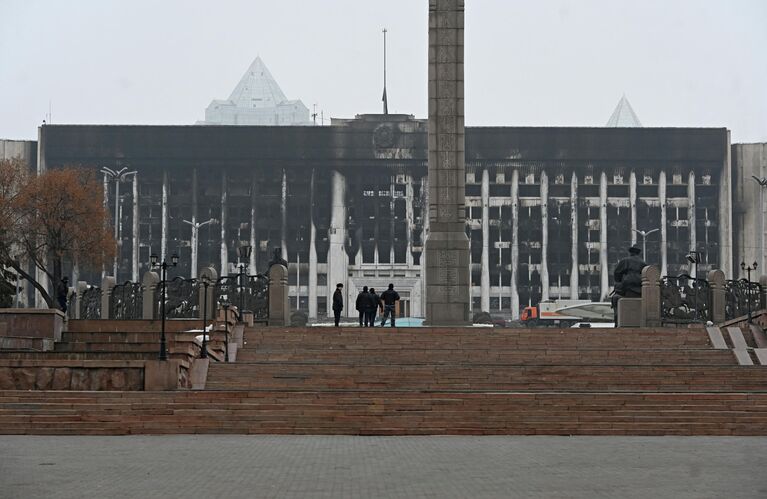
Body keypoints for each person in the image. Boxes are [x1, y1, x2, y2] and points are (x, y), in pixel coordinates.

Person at [611, 244, 647, 322]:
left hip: (627, 287)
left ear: (630, 252)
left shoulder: (625, 261)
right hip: (640, 288)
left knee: (615, 298)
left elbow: (617, 273)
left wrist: (619, 282)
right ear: (638, 253)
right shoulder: (643, 263)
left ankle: (617, 318)